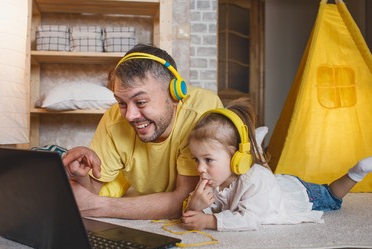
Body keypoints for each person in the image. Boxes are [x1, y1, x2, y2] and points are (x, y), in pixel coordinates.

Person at [62, 44, 223, 220]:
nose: (130, 116)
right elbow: (92, 191)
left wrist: (101, 207)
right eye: (122, 103)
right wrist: (81, 177)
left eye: (141, 102)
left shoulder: (202, 113)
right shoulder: (113, 119)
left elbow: (186, 200)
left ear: (174, 96)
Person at [182, 97, 372, 231]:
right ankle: (257, 150)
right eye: (196, 159)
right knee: (265, 176)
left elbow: (250, 219)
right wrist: (195, 206)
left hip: (300, 193)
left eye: (208, 160)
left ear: (235, 156)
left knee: (331, 197)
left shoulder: (255, 180)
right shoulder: (213, 179)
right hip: (272, 184)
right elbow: (194, 214)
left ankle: (357, 172)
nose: (200, 168)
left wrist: (210, 221)